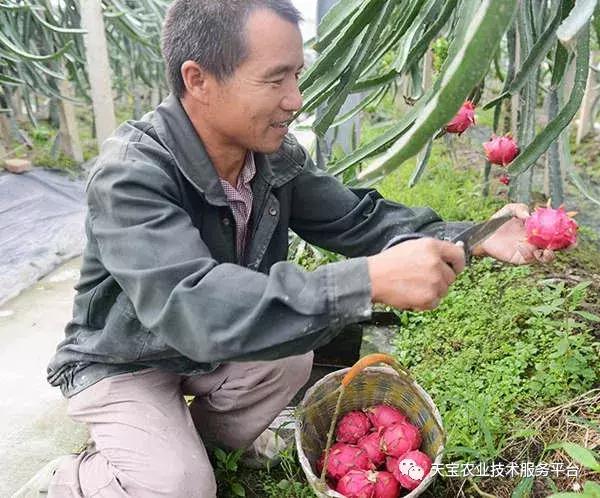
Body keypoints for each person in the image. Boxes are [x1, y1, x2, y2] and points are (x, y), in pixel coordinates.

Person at [17, 1, 556, 497]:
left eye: (296, 75)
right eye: (276, 79)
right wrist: (363, 281)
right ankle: (76, 479)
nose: (294, 100)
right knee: (179, 489)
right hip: (125, 360)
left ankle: (190, 447)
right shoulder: (130, 176)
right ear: (198, 79)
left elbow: (357, 218)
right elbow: (193, 304)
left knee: (292, 353)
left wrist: (478, 235)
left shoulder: (270, 158)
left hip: (205, 349)